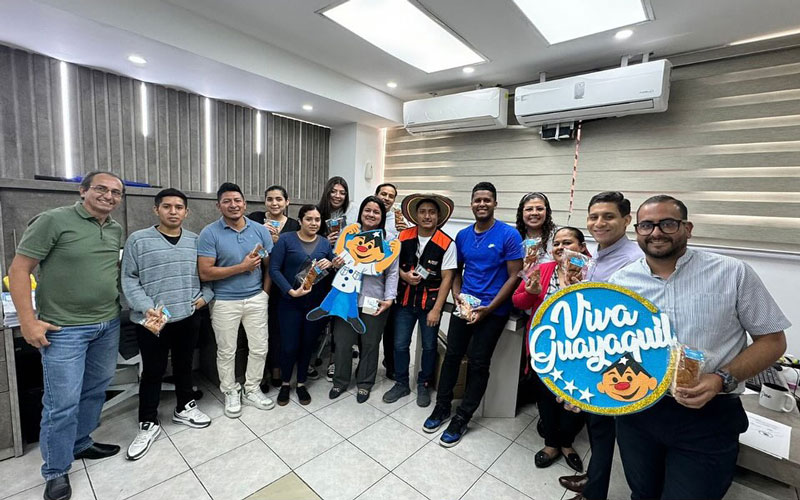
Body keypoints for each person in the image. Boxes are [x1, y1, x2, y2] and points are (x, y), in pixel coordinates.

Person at [609, 195, 789, 500]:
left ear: (687, 228)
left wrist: (721, 377)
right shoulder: (620, 282)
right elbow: (610, 349)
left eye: (667, 223)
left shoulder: (732, 273)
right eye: (647, 225)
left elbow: (772, 341)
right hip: (638, 413)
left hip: (709, 414)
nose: (656, 233)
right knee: (642, 493)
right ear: (636, 230)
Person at [8, 171, 125, 500]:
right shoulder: (52, 221)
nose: (109, 196)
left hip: (107, 323)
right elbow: (19, 270)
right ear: (83, 190)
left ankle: (81, 442)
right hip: (64, 329)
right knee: (62, 403)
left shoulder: (114, 228)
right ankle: (56, 470)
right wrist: (28, 321)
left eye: (116, 192)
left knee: (95, 390)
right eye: (101, 189)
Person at [558, 191, 645, 500]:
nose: (599, 223)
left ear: (626, 220)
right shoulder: (598, 255)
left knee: (610, 430)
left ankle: (594, 492)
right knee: (599, 427)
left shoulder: (634, 261)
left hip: (618, 360)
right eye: (593, 217)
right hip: (595, 353)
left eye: (608, 216)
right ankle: (594, 480)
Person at [423, 182, 523, 447]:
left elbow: (515, 276)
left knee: (479, 362)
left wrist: (489, 309)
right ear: (471, 203)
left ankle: (462, 417)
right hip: (464, 307)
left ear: (495, 203)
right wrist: (457, 296)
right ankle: (442, 406)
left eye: (487, 200)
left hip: (493, 310)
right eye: (477, 200)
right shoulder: (464, 235)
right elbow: (456, 271)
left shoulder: (508, 235)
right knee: (453, 356)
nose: (482, 204)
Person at [121, 188, 214, 461]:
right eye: (167, 206)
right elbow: (128, 279)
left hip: (187, 316)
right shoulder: (138, 241)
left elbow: (206, 276)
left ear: (186, 212)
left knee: (185, 365)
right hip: (152, 320)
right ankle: (148, 421)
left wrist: (204, 298)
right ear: (156, 210)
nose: (173, 211)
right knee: (153, 370)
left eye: (178, 207)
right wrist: (145, 305)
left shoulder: (196, 241)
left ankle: (184, 407)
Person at [513, 227, 590, 473]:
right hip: (543, 349)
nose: (559, 247)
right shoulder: (542, 270)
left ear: (581, 246)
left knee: (574, 400)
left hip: (578, 353)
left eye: (567, 242)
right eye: (556, 243)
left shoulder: (592, 275)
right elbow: (518, 300)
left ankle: (567, 443)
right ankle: (551, 444)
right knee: (545, 397)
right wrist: (530, 292)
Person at [197, 182, 275, 418]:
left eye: (237, 200)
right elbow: (205, 272)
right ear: (219, 205)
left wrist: (265, 293)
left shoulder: (260, 230)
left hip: (256, 299)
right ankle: (230, 390)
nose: (233, 205)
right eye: (227, 201)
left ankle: (251, 389)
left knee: (260, 347)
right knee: (227, 351)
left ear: (245, 203)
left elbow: (269, 265)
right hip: (224, 302)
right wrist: (240, 268)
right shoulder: (209, 233)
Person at [383, 193, 456, 407]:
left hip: (430, 305)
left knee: (429, 346)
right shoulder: (403, 236)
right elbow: (391, 264)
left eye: (432, 212)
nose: (427, 216)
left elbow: (448, 278)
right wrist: (404, 276)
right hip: (404, 302)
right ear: (415, 215)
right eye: (422, 212)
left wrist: (437, 310)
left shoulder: (447, 243)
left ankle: (424, 384)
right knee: (399, 344)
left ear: (438, 216)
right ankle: (401, 383)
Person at [328, 196, 400, 403]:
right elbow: (337, 263)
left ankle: (365, 383)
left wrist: (389, 299)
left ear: (382, 216)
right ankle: (340, 381)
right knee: (342, 342)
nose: (371, 214)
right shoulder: (348, 234)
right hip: (346, 297)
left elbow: (393, 273)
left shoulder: (389, 241)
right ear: (361, 213)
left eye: (376, 212)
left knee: (370, 343)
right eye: (367, 210)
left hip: (373, 300)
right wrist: (337, 262)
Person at [268, 204, 333, 406]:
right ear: (300, 221)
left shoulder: (324, 244)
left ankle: (302, 383)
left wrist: (330, 264)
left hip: (315, 304)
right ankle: (286, 383)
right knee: (289, 346)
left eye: (317, 220)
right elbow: (274, 269)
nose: (313, 223)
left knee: (307, 345)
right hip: (290, 303)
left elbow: (332, 267)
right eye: (309, 219)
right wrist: (290, 291)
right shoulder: (286, 240)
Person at [247, 185, 302, 388]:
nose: (274, 203)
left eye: (279, 199)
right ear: (265, 202)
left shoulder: (295, 225)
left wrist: (280, 243)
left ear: (287, 202)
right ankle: (260, 373)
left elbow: (297, 257)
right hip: (257, 281)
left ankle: (277, 368)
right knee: (260, 330)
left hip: (284, 284)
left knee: (279, 328)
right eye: (270, 199)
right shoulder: (254, 219)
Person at [318, 176, 352, 381]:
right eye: (334, 191)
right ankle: (313, 356)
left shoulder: (349, 218)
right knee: (320, 314)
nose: (338, 196)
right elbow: (306, 240)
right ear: (327, 192)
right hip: (321, 272)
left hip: (342, 273)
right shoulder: (316, 213)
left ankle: (333, 361)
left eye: (342, 192)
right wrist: (324, 239)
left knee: (338, 317)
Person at [374, 182, 408, 380]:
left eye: (391, 196)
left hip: (393, 279)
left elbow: (404, 254)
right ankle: (366, 361)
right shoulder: (368, 217)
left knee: (391, 325)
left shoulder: (399, 223)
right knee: (370, 325)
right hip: (371, 280)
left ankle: (390, 362)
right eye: (383, 194)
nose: (386, 198)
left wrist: (404, 234)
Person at [515, 192, 556, 264]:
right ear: (521, 213)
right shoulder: (513, 237)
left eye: (539, 209)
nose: (534, 213)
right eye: (529, 209)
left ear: (547, 212)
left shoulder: (557, 237)